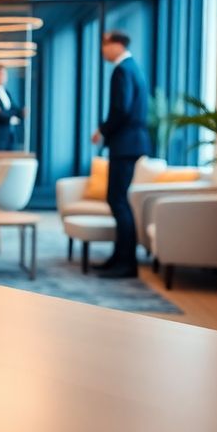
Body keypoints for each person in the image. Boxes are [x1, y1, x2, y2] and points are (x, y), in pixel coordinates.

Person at [92, 31, 150, 279]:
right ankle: (119, 257)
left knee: (118, 201)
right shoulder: (132, 67)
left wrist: (102, 130)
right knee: (118, 200)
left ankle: (126, 263)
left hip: (125, 145)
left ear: (116, 45)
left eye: (104, 46)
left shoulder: (122, 70)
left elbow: (120, 108)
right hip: (131, 144)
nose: (102, 51)